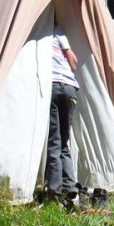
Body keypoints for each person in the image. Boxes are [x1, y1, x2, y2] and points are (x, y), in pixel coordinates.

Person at [44, 26, 80, 208]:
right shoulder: (58, 33)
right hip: (70, 87)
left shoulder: (37, 34)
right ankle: (70, 188)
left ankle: (54, 192)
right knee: (64, 142)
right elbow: (73, 63)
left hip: (52, 85)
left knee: (54, 142)